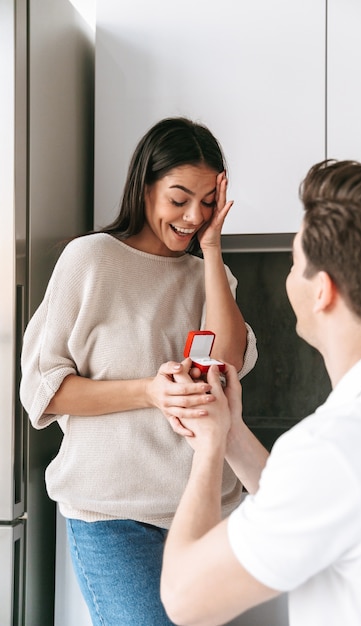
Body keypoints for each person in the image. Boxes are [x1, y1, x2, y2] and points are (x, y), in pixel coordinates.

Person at [19, 117, 258, 626]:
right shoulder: (90, 259)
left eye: (207, 201)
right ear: (144, 187)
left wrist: (212, 250)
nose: (194, 215)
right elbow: (45, 390)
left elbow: (229, 360)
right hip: (114, 514)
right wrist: (149, 392)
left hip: (207, 510)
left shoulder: (208, 276)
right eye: (179, 198)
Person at [160, 159, 361, 626]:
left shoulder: (336, 447)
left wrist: (210, 449)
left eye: (294, 262)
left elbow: (184, 597)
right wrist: (232, 433)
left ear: (323, 290)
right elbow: (322, 499)